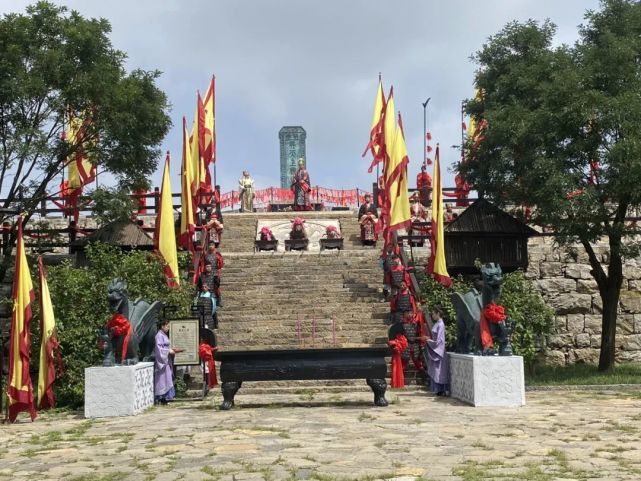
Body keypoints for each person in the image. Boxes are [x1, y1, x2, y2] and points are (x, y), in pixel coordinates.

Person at [154, 319, 182, 405]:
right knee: (163, 379)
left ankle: (167, 397)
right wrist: (168, 351)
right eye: (167, 326)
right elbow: (159, 349)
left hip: (166, 360)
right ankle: (162, 397)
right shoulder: (159, 335)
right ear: (162, 326)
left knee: (168, 378)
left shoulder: (164, 335)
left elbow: (165, 347)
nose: (168, 328)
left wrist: (171, 350)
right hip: (162, 361)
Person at [426, 306, 449, 396]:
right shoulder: (437, 323)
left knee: (438, 371)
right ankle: (437, 390)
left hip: (439, 351)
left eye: (433, 314)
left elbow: (440, 341)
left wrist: (429, 341)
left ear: (438, 314)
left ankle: (441, 390)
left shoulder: (440, 324)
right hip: (435, 350)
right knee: (435, 370)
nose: (432, 315)